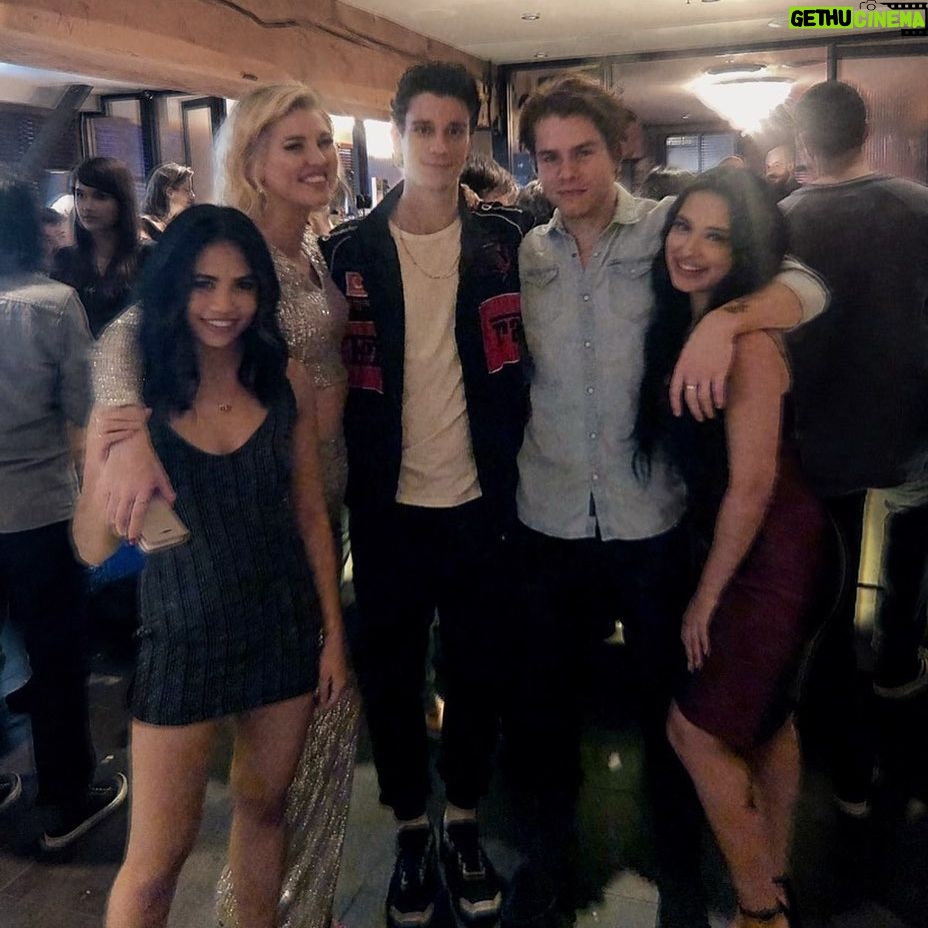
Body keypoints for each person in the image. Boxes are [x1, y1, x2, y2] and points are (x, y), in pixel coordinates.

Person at [506, 75, 827, 928]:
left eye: (583, 151)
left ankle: (682, 871)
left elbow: (804, 283)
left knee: (668, 712)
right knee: (545, 711)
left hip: (651, 519)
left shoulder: (668, 231)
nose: (568, 172)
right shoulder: (524, 252)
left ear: (619, 148)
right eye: (549, 157)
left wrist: (726, 321)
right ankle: (547, 861)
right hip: (549, 517)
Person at [91, 83, 360, 928]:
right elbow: (125, 335)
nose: (316, 158)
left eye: (323, 141)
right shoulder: (234, 250)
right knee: (175, 843)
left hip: (308, 519)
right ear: (250, 160)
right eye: (293, 144)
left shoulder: (314, 243)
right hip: (231, 519)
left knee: (298, 775)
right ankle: (284, 907)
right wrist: (122, 429)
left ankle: (294, 907)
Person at [321, 61, 533, 928]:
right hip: (388, 510)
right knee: (393, 676)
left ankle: (465, 819)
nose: (440, 147)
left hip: (485, 504)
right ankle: (412, 827)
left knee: (478, 673)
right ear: (398, 132)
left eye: (455, 130)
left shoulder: (510, 241)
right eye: (423, 129)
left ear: (472, 136)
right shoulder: (347, 252)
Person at [635, 167, 827, 928]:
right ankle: (773, 874)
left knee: (694, 732)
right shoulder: (692, 321)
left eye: (717, 237)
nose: (690, 248)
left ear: (745, 253)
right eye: (683, 227)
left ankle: (757, 910)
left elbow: (751, 487)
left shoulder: (746, 342)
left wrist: (707, 597)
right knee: (771, 723)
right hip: (759, 539)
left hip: (773, 549)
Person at [782, 80, 928, 813]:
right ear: (867, 131)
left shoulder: (784, 221)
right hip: (911, 424)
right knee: (907, 557)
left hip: (821, 434)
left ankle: (848, 763)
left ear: (803, 140)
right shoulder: (917, 209)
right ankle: (897, 671)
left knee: (832, 598)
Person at [0, 173, 127, 849]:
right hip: (39, 510)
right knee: (56, 657)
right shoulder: (51, 306)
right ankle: (65, 800)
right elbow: (86, 412)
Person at [50, 156, 148, 337]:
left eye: (100, 196)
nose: (86, 206)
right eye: (80, 195)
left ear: (121, 200)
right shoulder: (65, 260)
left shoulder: (149, 257)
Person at [139, 162, 195, 241]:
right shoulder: (144, 226)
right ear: (170, 192)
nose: (193, 195)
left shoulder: (181, 227)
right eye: (187, 190)